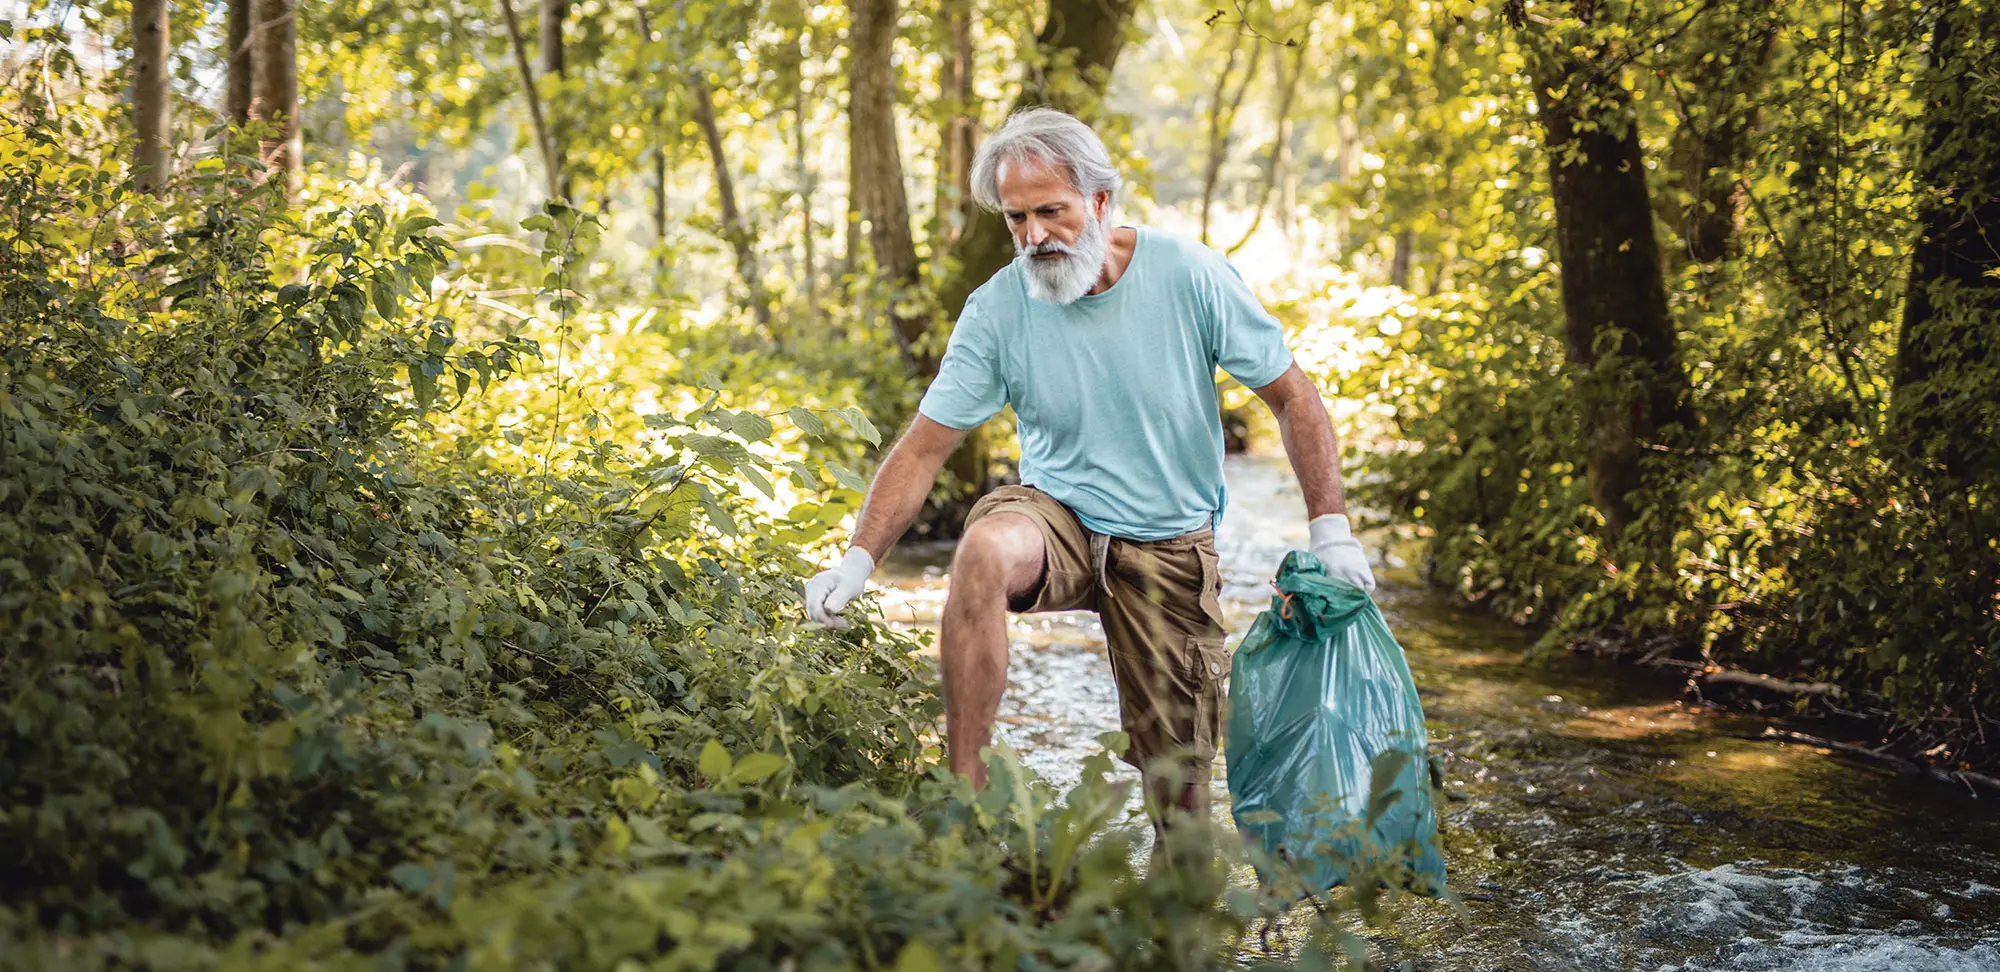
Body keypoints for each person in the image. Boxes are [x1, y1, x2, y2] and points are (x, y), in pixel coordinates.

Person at [804, 106, 1375, 825]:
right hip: (1058, 518)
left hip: (1168, 542)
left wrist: (1332, 531)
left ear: (1101, 203)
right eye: (1017, 218)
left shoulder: (1190, 276)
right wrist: (857, 561)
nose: (1034, 235)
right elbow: (924, 446)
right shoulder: (997, 309)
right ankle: (966, 798)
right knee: (982, 547)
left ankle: (1176, 921)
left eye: (1051, 210)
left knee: (1183, 806)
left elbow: (1293, 398)